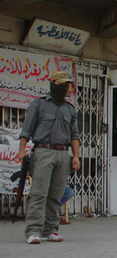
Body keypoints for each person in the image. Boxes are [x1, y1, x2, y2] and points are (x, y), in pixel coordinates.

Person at [17, 71, 80, 245]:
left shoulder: (69, 109)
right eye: (61, 85)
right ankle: (33, 231)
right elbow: (26, 130)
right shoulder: (39, 104)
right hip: (43, 151)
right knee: (39, 193)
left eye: (66, 85)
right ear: (52, 84)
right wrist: (22, 150)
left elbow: (74, 135)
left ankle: (51, 229)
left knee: (56, 194)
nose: (64, 88)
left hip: (63, 153)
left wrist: (75, 156)